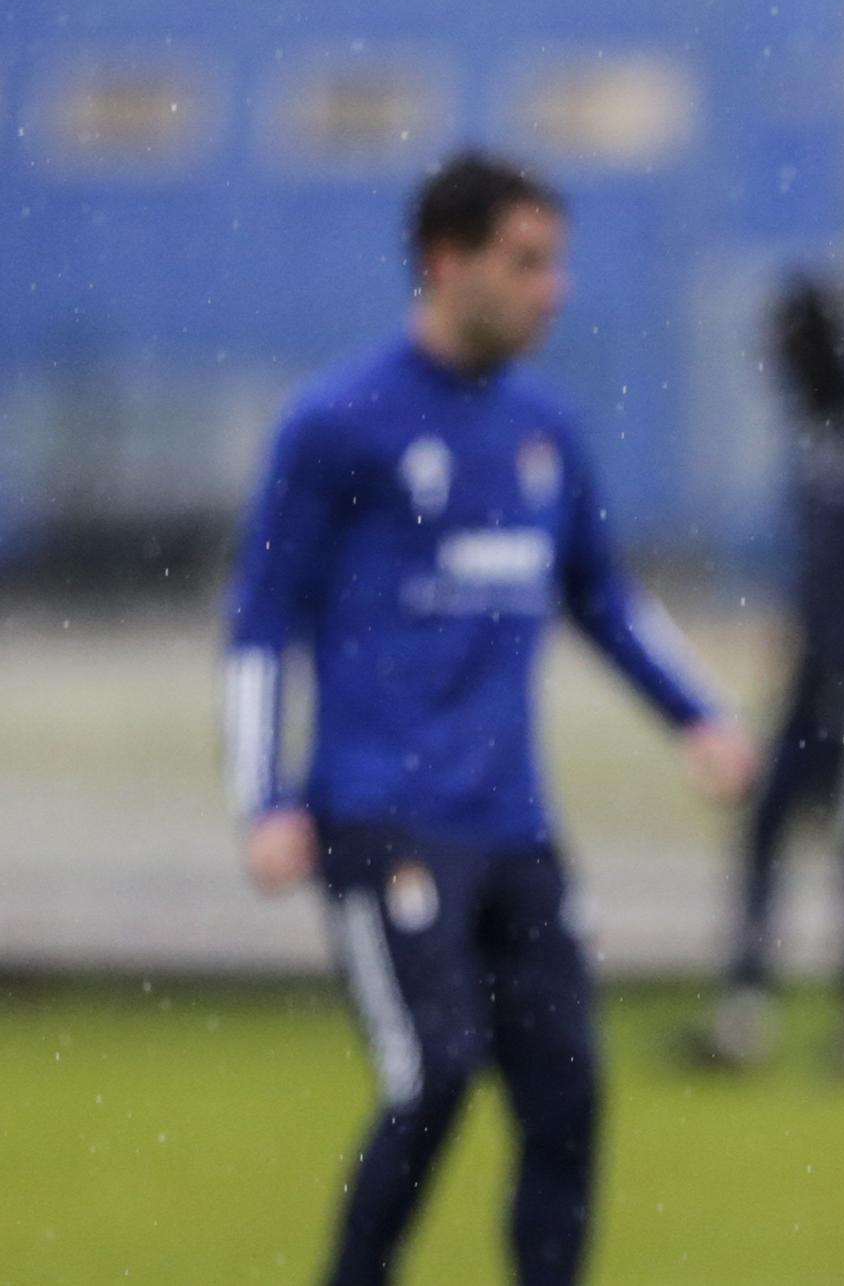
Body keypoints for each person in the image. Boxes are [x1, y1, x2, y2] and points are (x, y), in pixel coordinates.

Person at [221, 151, 756, 1286]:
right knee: (436, 1070)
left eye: (553, 263)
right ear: (445, 263)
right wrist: (263, 794)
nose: (550, 288)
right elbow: (262, 621)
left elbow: (600, 595)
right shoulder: (336, 422)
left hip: (514, 825)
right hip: (381, 813)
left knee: (568, 1091)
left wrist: (699, 718)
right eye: (525, 263)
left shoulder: (543, 427)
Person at [689, 278, 844, 1070]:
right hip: (813, 665)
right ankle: (746, 1007)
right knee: (768, 819)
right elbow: (819, 547)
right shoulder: (813, 420)